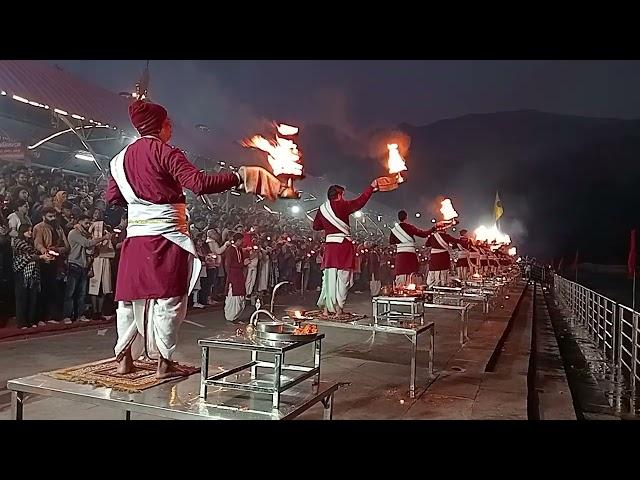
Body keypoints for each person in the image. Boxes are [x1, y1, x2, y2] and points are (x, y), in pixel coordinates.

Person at [106, 99, 280, 378]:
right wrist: (240, 176)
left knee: (128, 300)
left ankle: (124, 359)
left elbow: (113, 198)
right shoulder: (166, 153)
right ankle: (164, 362)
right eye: (168, 122)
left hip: (136, 239)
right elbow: (198, 184)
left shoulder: (118, 160)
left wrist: (141, 199)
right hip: (167, 239)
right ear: (158, 125)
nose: (171, 127)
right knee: (169, 299)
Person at [312, 181, 379, 317]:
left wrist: (328, 224)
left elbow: (316, 226)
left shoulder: (322, 209)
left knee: (329, 278)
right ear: (339, 195)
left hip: (330, 247)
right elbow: (360, 202)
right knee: (343, 278)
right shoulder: (343, 205)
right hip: (343, 245)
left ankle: (326, 309)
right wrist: (371, 188)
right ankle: (338, 309)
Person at [64, 215, 111, 323]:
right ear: (79, 222)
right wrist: (103, 238)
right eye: (86, 223)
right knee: (70, 293)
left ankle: (80, 315)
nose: (88, 225)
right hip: (75, 264)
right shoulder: (74, 233)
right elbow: (87, 243)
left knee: (81, 293)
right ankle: (68, 315)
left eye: (89, 223)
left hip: (83, 265)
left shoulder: (84, 234)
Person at [12, 225, 54, 328]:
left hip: (33, 272)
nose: (30, 233)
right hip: (22, 272)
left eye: (31, 231)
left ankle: (31, 320)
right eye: (28, 231)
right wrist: (41, 256)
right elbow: (28, 256)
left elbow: (35, 253)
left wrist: (44, 256)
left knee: (33, 297)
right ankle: (22, 322)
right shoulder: (19, 243)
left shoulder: (31, 243)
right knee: (22, 298)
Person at [33, 206, 69, 323]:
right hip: (44, 262)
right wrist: (45, 252)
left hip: (58, 263)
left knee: (56, 290)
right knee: (43, 290)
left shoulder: (58, 228)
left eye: (54, 216)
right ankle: (42, 317)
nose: (53, 218)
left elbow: (67, 246)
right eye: (50, 216)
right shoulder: (39, 227)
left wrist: (58, 250)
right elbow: (37, 243)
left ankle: (54, 316)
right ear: (44, 216)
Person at [389, 210, 436, 287]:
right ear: (406, 217)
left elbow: (391, 242)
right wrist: (433, 228)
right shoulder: (410, 227)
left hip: (400, 256)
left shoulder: (394, 230)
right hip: (410, 256)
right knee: (412, 274)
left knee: (400, 274)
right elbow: (424, 234)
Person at [88, 208, 115, 319]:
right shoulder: (91, 233)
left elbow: (111, 249)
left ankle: (100, 310)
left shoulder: (107, 233)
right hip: (96, 261)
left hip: (106, 261)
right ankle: (95, 311)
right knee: (94, 287)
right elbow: (90, 248)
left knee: (104, 286)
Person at [224, 232, 248, 322]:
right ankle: (231, 317)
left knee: (240, 295)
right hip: (233, 276)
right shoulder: (230, 250)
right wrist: (242, 264)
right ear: (238, 240)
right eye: (241, 240)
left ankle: (236, 316)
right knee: (234, 295)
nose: (242, 242)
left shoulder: (239, 250)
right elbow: (228, 264)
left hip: (239, 275)